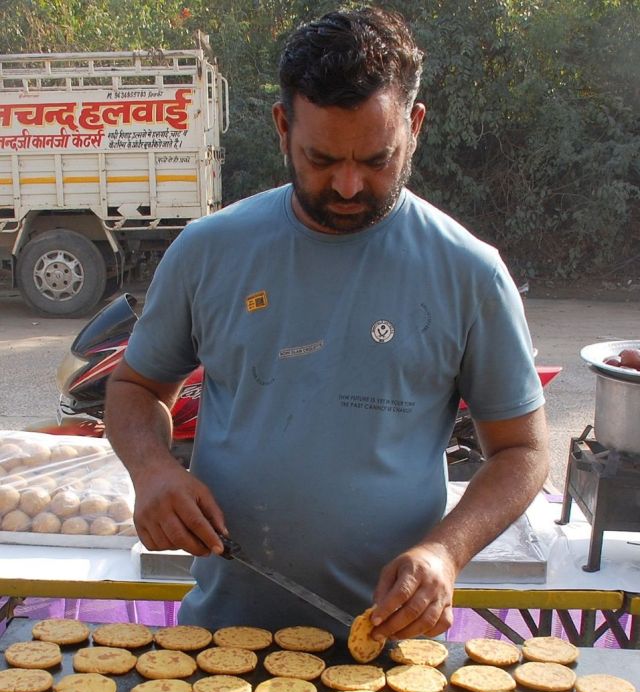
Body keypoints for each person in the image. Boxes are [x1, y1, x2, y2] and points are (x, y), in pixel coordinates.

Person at [105, 6, 549, 641]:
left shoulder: (468, 272)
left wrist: (446, 553)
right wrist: (151, 468)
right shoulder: (210, 251)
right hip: (223, 642)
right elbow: (135, 388)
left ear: (414, 126)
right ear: (283, 127)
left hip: (388, 649)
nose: (347, 185)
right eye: (321, 158)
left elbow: (523, 449)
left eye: (376, 159)